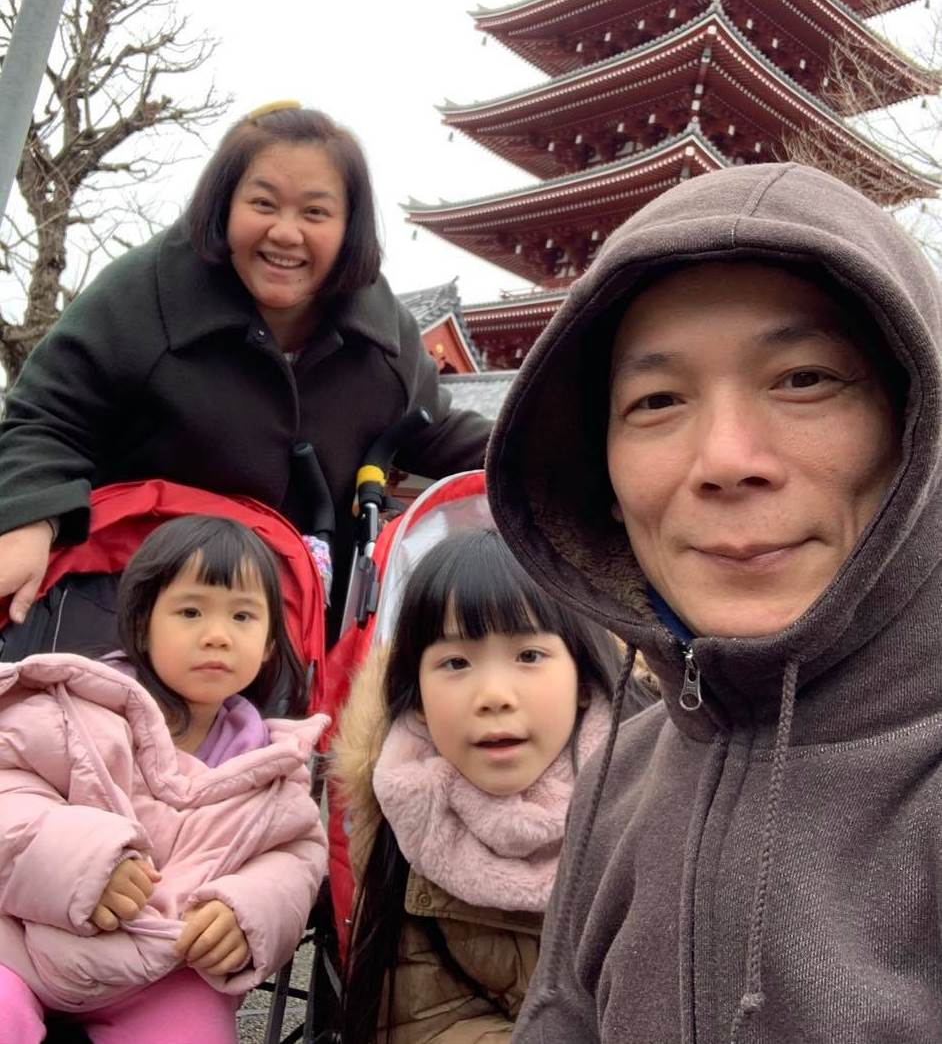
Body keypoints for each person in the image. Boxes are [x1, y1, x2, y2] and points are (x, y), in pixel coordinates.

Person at [486, 161, 942, 1042]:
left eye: (804, 378)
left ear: (913, 423)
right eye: (657, 400)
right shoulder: (619, 774)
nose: (727, 459)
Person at [0, 103, 491, 636]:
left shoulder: (380, 336)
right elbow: (48, 417)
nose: (285, 233)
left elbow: (432, 428)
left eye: (315, 213)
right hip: (135, 607)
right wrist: (32, 518)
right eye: (263, 203)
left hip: (298, 627)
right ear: (223, 205)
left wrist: (548, 460)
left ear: (349, 226)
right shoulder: (146, 293)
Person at [0, 514, 329, 1044]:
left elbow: (295, 861)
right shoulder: (75, 710)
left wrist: (245, 910)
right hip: (22, 941)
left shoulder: (272, 767)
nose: (217, 636)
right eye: (191, 611)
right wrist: (81, 860)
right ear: (142, 627)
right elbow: (8, 791)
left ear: (270, 642)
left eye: (243, 616)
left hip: (163, 971)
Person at [334, 528, 649, 1043]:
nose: (494, 695)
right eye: (456, 663)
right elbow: (427, 1021)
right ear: (417, 699)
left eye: (529, 656)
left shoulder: (648, 790)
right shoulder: (409, 810)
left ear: (583, 681)